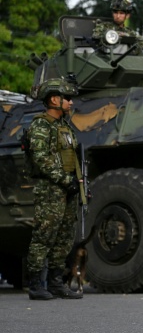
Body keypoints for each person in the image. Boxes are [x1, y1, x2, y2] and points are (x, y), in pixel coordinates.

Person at [26, 78, 84, 300]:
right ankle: (35, 284)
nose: (70, 102)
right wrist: (63, 179)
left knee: (64, 236)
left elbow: (73, 158)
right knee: (44, 235)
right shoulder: (41, 125)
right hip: (50, 188)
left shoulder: (64, 126)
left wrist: (78, 184)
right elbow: (41, 158)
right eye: (67, 98)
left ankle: (56, 282)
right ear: (53, 99)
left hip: (67, 187)